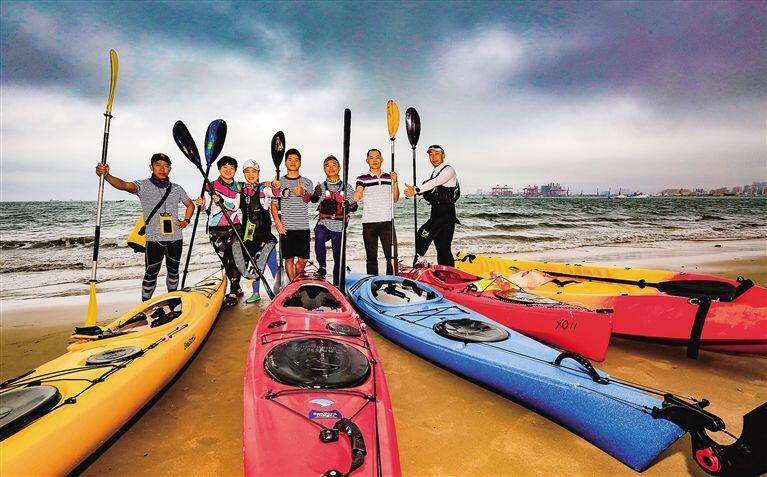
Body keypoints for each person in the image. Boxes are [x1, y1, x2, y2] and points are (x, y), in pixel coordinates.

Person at [95, 153, 194, 301]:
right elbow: (124, 185)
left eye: (166, 166)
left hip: (175, 238)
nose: (162, 169)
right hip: (154, 239)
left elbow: (190, 205)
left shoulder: (177, 188)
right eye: (158, 165)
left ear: (170, 169)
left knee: (173, 271)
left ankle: (172, 300)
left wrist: (186, 220)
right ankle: (145, 303)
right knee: (151, 272)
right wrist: (107, 176)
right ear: (151, 167)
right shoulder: (143, 186)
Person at [197, 156, 244, 306]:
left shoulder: (239, 186)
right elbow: (206, 209)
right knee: (226, 260)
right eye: (225, 167)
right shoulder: (209, 185)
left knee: (235, 259)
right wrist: (201, 204)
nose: (228, 170)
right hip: (216, 230)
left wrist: (221, 200)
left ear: (235, 170)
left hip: (234, 228)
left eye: (232, 168)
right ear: (219, 169)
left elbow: (235, 206)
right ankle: (237, 286)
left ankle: (233, 291)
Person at [404, 145, 460, 266]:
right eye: (431, 154)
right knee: (442, 247)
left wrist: (416, 190)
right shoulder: (435, 172)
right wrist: (419, 191)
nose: (433, 157)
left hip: (445, 213)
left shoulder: (449, 170)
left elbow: (436, 182)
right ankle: (447, 272)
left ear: (443, 155)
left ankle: (418, 263)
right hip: (439, 212)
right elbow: (434, 189)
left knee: (422, 235)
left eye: (437, 154)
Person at [310, 155, 357, 286]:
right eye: (327, 166)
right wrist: (315, 194)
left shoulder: (347, 187)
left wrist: (349, 206)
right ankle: (322, 267)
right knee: (319, 235)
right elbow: (314, 200)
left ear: (339, 168)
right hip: (324, 223)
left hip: (339, 225)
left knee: (338, 256)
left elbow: (355, 206)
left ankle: (337, 284)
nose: (331, 168)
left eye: (334, 165)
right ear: (324, 169)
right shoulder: (321, 187)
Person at [240, 159, 280, 303]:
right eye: (247, 172)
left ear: (258, 173)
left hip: (265, 236)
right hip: (249, 236)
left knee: (272, 264)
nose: (251, 174)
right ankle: (256, 293)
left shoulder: (264, 189)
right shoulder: (241, 190)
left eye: (254, 171)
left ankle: (281, 291)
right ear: (244, 174)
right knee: (254, 265)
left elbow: (277, 193)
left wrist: (275, 184)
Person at [354, 148, 399, 275]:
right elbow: (359, 191)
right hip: (369, 223)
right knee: (371, 257)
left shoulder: (389, 177)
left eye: (377, 157)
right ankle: (373, 282)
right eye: (371, 158)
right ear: (367, 160)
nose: (374, 160)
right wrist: (357, 194)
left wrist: (395, 182)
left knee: (392, 256)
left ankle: (392, 281)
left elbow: (395, 198)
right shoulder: (362, 178)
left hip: (387, 221)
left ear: (381, 159)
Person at [271, 148, 313, 280]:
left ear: (300, 162)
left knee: (303, 260)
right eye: (290, 159)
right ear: (285, 162)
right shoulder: (279, 182)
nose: (293, 162)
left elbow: (308, 200)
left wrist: (303, 192)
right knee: (288, 259)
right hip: (287, 227)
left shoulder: (307, 182)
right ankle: (293, 284)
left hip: (303, 226)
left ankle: (294, 281)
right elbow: (274, 204)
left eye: (296, 160)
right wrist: (277, 222)